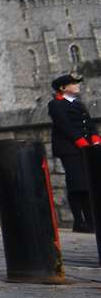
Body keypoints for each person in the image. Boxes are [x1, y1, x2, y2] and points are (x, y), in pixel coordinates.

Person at [48, 73, 100, 233]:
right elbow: (65, 125)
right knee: (77, 184)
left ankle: (91, 221)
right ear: (63, 88)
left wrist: (95, 137)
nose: (77, 86)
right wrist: (80, 141)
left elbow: (88, 123)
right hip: (69, 148)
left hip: (85, 147)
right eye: (73, 84)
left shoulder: (79, 104)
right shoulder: (55, 104)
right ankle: (79, 221)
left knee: (87, 184)